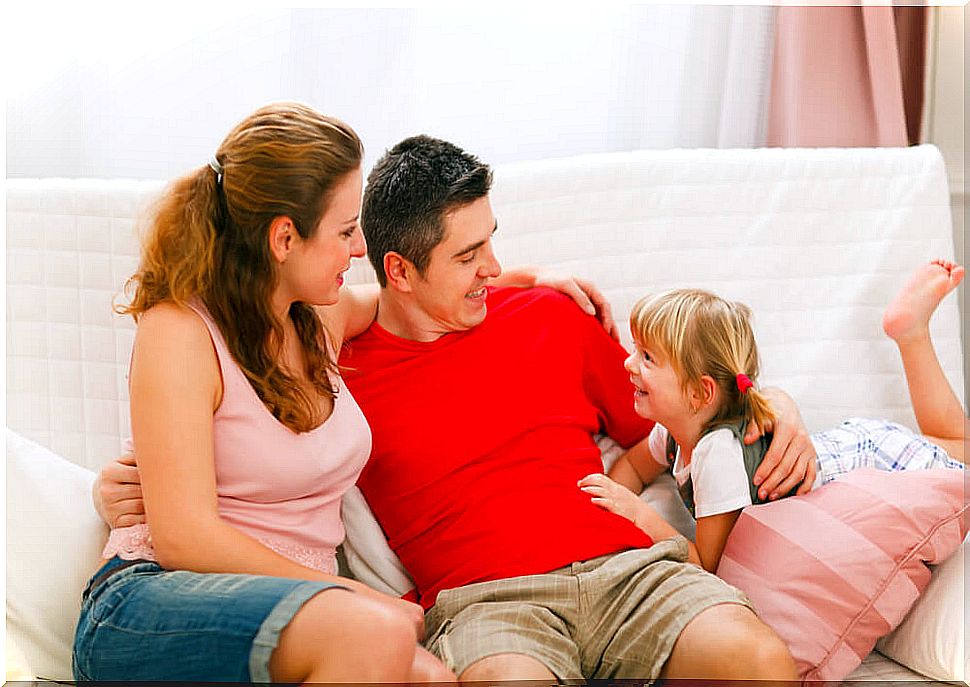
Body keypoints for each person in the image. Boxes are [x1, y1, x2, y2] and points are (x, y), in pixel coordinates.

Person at [96, 134, 818, 682]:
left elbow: (685, 417)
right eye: (470, 254)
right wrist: (124, 484)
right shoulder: (330, 351)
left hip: (632, 572)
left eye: (493, 243)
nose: (495, 268)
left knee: (759, 660)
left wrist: (774, 405)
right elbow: (223, 453)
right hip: (488, 605)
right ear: (400, 272)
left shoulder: (549, 314)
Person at [78, 103, 619, 683]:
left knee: (437, 678)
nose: (359, 248)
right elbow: (184, 538)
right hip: (160, 601)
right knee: (378, 631)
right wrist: (349, 593)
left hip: (309, 612)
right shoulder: (180, 331)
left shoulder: (319, 319)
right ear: (284, 238)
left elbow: (410, 294)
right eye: (344, 230)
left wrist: (530, 278)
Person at [579, 260, 966, 574]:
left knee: (963, 452)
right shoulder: (671, 433)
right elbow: (633, 466)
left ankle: (912, 334)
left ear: (700, 392)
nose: (628, 364)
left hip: (875, 460)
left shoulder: (718, 454)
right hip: (853, 443)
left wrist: (637, 513)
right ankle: (911, 332)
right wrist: (605, 504)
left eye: (647, 358)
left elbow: (708, 565)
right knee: (959, 443)